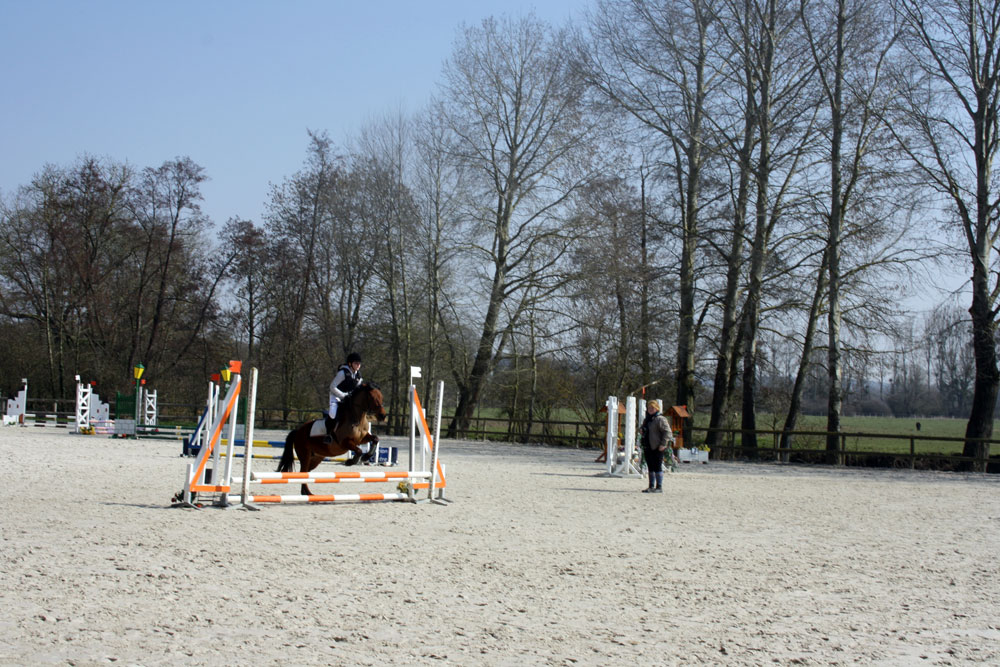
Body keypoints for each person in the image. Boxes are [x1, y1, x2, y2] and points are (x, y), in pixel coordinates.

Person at [324, 352, 363, 445]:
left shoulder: (358, 375)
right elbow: (332, 387)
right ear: (350, 364)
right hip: (336, 396)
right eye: (356, 363)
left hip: (349, 398)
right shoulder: (342, 373)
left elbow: (358, 388)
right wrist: (343, 395)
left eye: (359, 364)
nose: (358, 365)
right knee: (333, 414)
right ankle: (328, 435)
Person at [639, 400, 674, 493]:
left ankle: (659, 486)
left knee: (657, 466)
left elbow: (668, 432)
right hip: (647, 445)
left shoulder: (660, 419)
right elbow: (644, 429)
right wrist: (642, 430)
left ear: (657, 408)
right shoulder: (647, 419)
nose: (650, 409)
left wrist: (663, 444)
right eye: (649, 408)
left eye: (652, 408)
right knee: (650, 466)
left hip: (657, 446)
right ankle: (651, 486)